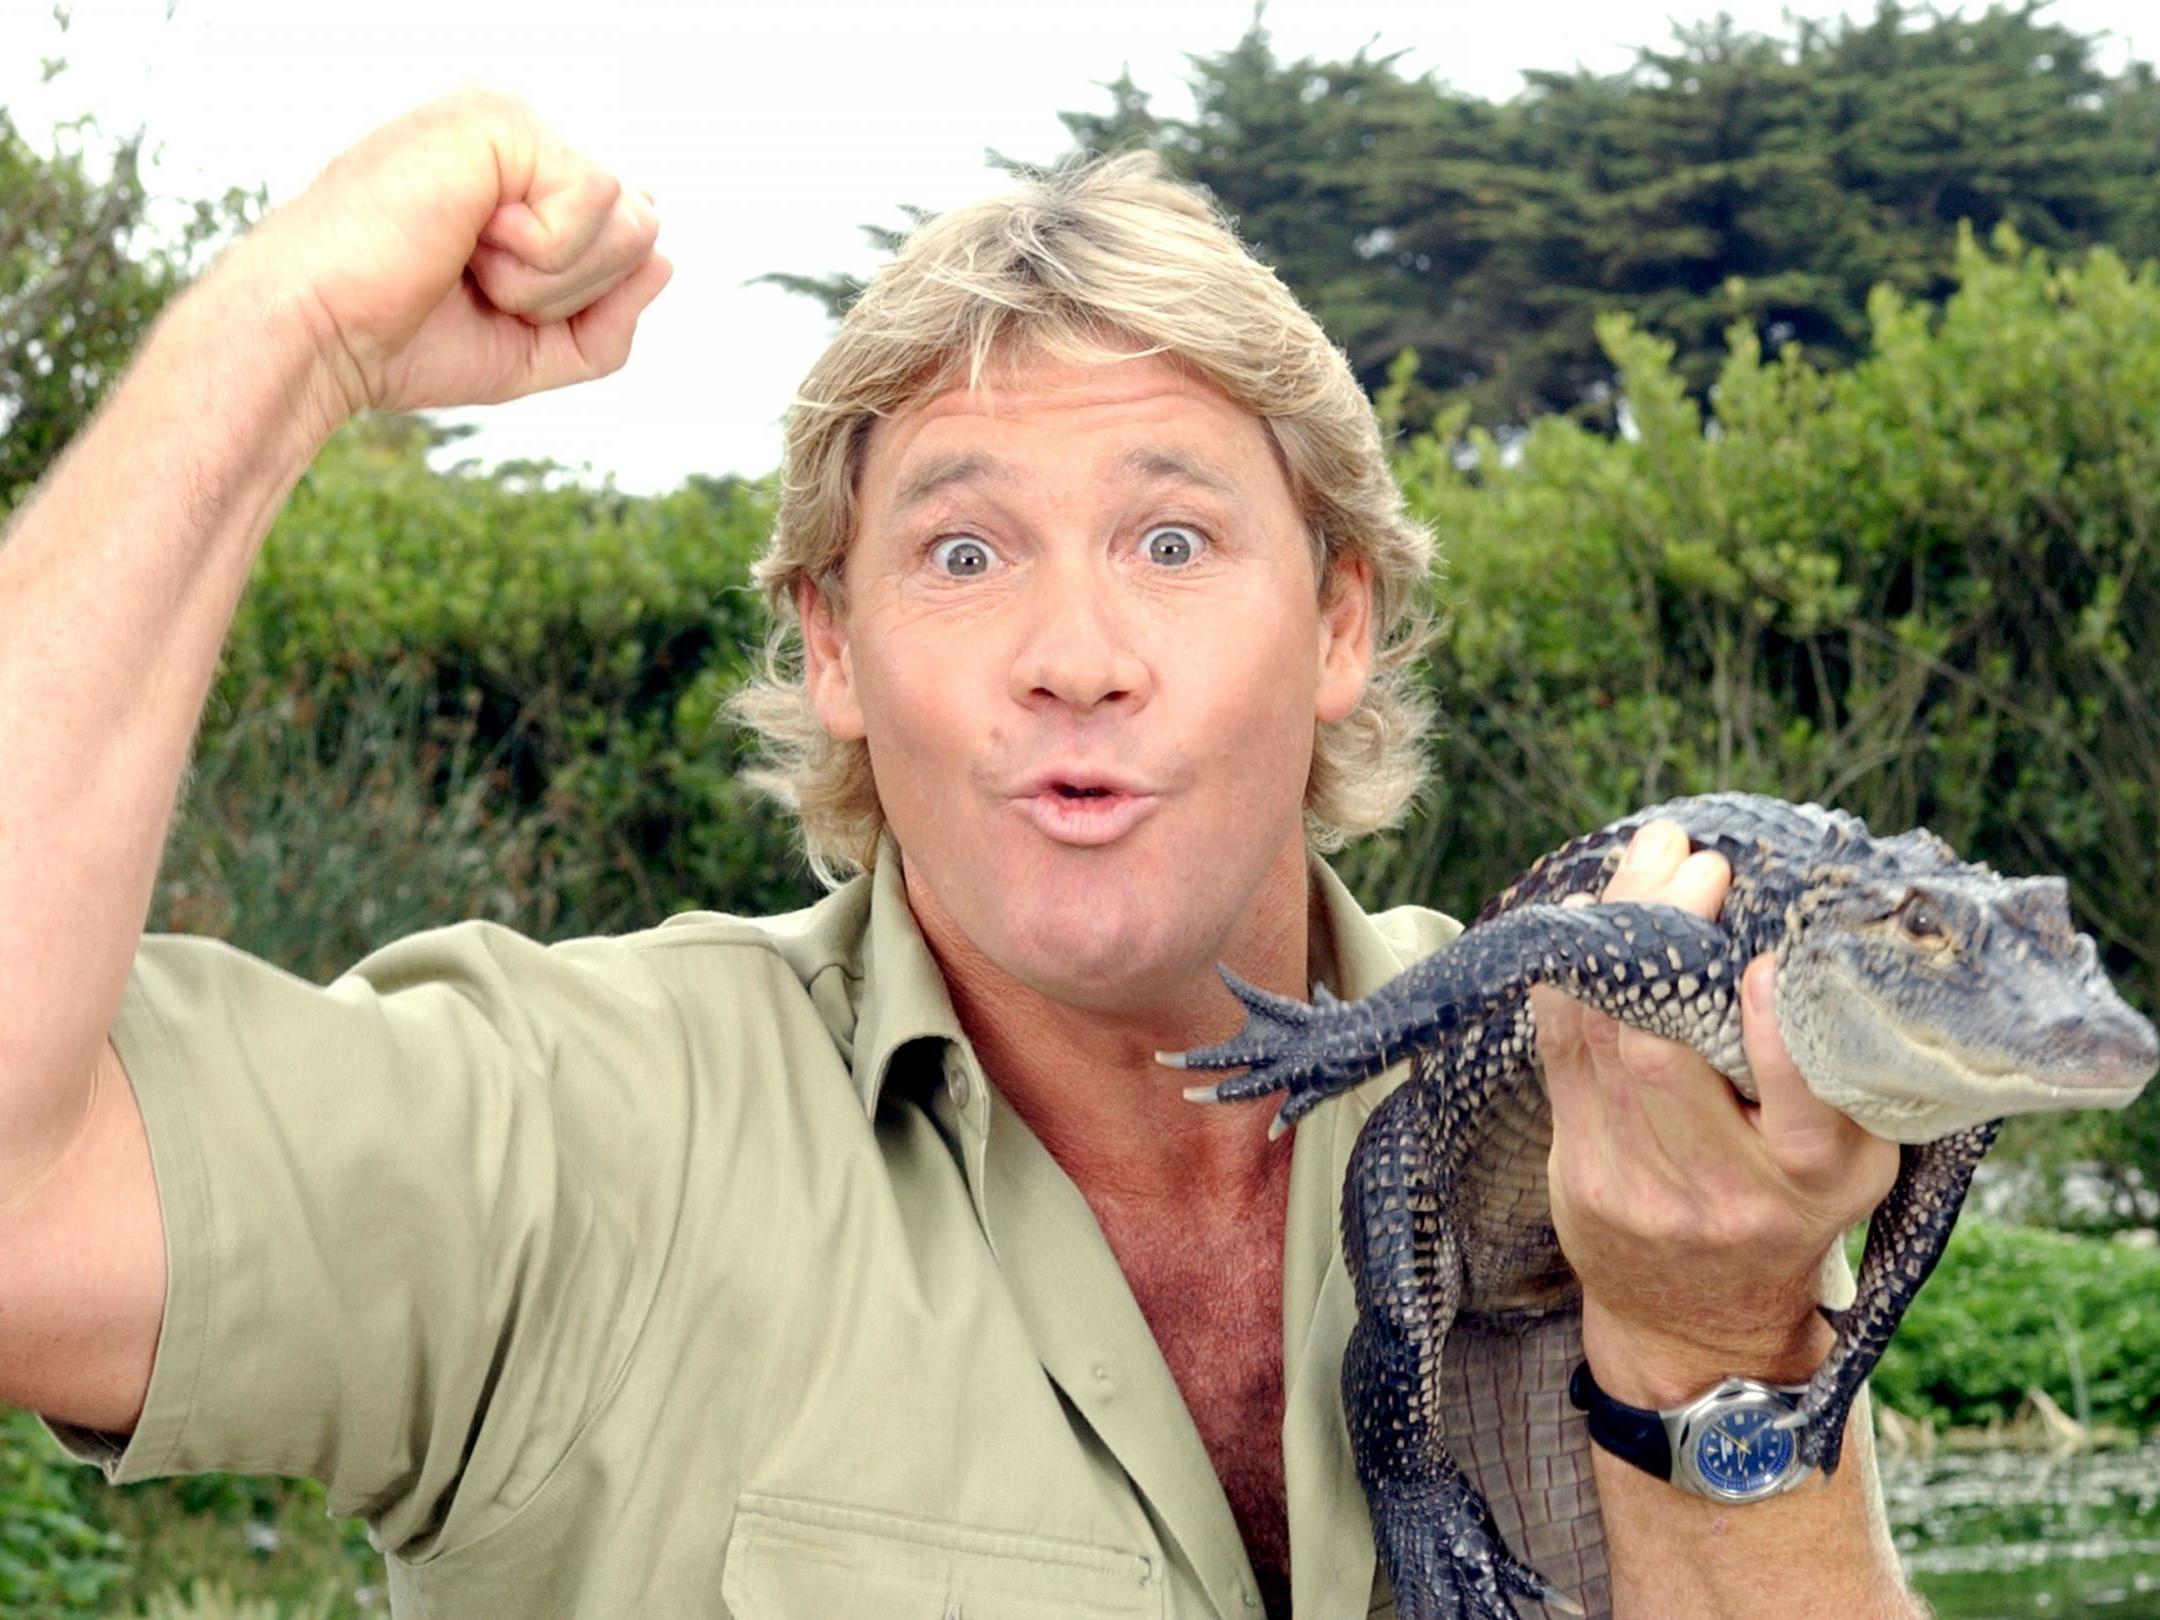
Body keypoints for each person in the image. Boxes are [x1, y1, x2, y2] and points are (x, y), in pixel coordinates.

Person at [0, 88, 1923, 1617]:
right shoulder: (572, 1143)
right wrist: (284, 331)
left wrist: (1703, 1347)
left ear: (1339, 621)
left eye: (1172, 542)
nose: (1073, 659)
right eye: (963, 550)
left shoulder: (1606, 1091)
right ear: (833, 647)